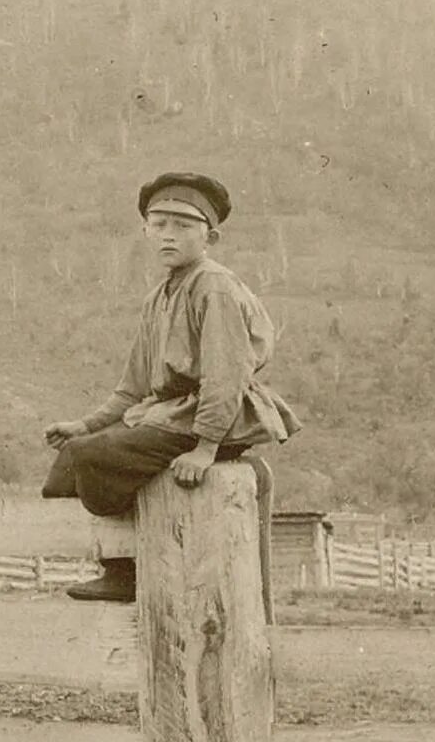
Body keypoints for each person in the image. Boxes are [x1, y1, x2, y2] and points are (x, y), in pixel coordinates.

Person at [41, 172, 300, 603]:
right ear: (145, 230)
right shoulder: (158, 295)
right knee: (71, 459)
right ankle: (125, 564)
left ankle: (131, 572)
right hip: (170, 416)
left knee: (95, 457)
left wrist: (205, 447)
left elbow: (226, 375)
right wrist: (84, 424)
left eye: (183, 226)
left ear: (209, 237)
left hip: (216, 420)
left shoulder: (213, 286)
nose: (168, 236)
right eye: (158, 225)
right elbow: (134, 388)